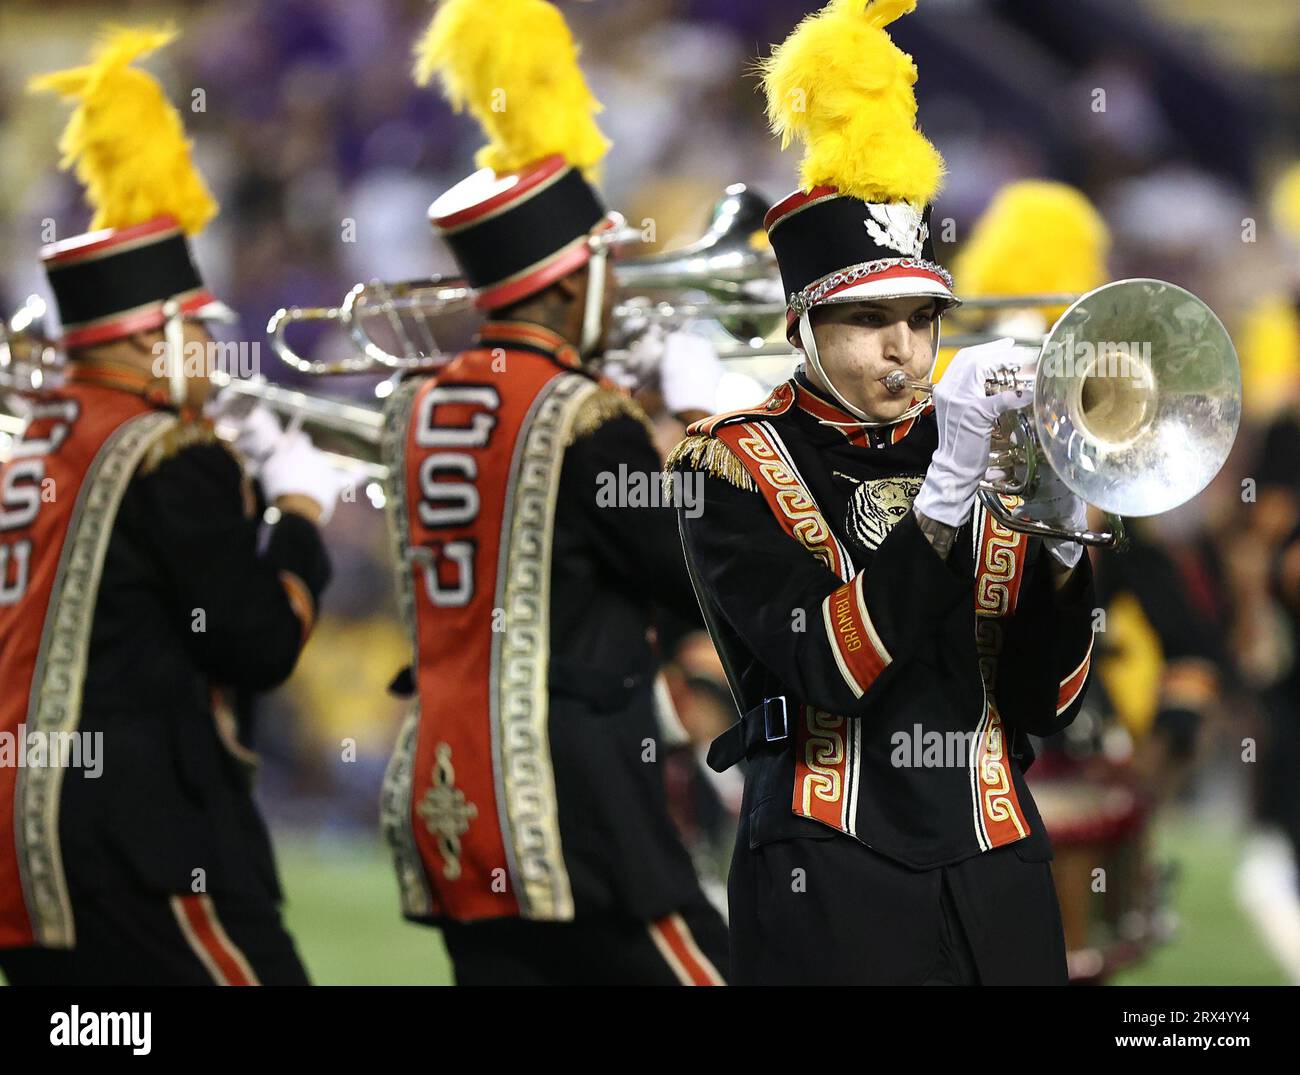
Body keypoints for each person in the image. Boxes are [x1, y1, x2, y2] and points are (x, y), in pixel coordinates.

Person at [666, 0, 1097, 986]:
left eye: (919, 316)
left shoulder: (985, 439)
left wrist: (1066, 547)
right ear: (803, 327)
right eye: (867, 320)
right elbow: (825, 665)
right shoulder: (730, 462)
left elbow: (1043, 701)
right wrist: (947, 498)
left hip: (997, 856)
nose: (902, 347)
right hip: (828, 862)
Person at [377, 0, 728, 985]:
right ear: (568, 283)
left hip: (448, 779)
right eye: (608, 264)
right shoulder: (583, 416)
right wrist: (702, 423)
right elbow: (696, 570)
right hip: (569, 788)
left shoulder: (414, 403)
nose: (622, 282)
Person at [0, 27, 343, 986]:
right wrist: (302, 512)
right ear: (155, 336)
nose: (215, 355)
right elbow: (259, 642)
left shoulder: (31, 441)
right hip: (140, 833)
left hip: (22, 841)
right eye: (200, 333)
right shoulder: (169, 452)